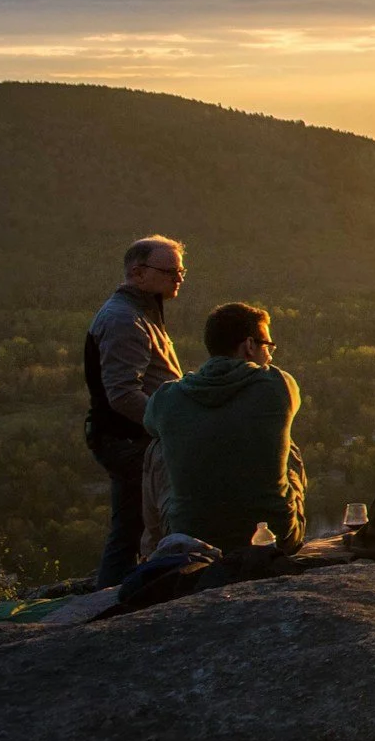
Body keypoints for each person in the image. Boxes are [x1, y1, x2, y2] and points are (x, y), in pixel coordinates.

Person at [145, 301, 307, 554]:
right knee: (288, 445)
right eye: (268, 346)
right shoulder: (279, 385)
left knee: (156, 447)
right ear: (250, 346)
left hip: (192, 539)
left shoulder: (167, 397)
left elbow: (149, 425)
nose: (271, 354)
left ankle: (157, 552)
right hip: (274, 538)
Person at [84, 235, 187, 587]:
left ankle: (115, 596)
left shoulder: (142, 311)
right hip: (130, 440)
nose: (179, 278)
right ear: (138, 272)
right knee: (132, 526)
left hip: (131, 437)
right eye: (170, 271)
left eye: (181, 270)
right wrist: (169, 426)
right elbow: (124, 394)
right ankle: (114, 603)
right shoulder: (123, 320)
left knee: (131, 525)